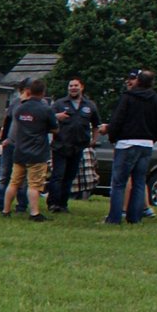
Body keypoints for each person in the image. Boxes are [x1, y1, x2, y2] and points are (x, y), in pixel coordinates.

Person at [104, 69, 157, 226]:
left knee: (119, 182)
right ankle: (134, 218)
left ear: (138, 81)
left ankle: (114, 218)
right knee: (140, 182)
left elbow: (118, 119)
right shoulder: (156, 99)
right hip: (146, 144)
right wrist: (153, 138)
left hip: (126, 143)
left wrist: (112, 136)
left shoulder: (128, 98)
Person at [0, 77, 54, 221]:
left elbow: (13, 124)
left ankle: (5, 210)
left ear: (29, 92)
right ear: (43, 92)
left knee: (14, 182)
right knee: (34, 184)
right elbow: (55, 128)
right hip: (37, 152)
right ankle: (34, 213)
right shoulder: (46, 109)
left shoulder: (20, 108)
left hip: (20, 150)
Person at [47, 77, 102, 213]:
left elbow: (96, 125)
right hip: (60, 145)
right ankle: (53, 204)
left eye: (76, 85)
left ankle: (63, 204)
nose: (73, 88)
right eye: (70, 86)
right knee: (58, 175)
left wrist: (94, 140)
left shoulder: (89, 105)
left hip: (78, 147)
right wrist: (56, 116)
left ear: (82, 87)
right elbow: (46, 120)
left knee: (70, 177)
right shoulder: (59, 104)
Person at [0, 82, 24, 211]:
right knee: (4, 174)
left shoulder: (39, 104)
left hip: (25, 146)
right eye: (22, 91)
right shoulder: (15, 103)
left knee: (23, 178)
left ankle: (21, 205)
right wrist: (4, 139)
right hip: (10, 144)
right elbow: (8, 120)